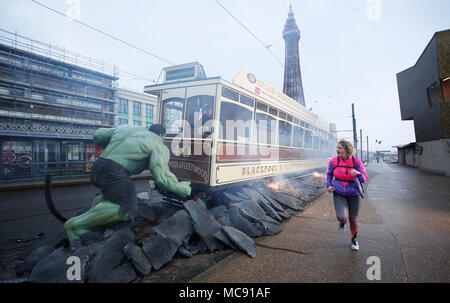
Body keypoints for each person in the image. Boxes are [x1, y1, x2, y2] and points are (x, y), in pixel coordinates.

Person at [64, 124, 191, 250]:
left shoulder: (129, 129)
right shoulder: (158, 145)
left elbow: (98, 135)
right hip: (115, 171)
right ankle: (76, 227)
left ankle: (95, 225)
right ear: (163, 135)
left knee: (111, 197)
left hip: (98, 165)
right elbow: (163, 179)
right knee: (127, 208)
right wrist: (182, 187)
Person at [327, 140, 368, 251]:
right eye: (337, 147)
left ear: (347, 149)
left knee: (353, 219)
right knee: (342, 217)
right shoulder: (333, 162)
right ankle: (342, 222)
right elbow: (329, 175)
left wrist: (358, 174)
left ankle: (354, 239)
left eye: (340, 148)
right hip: (339, 192)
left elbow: (364, 178)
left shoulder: (356, 162)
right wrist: (329, 186)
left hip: (353, 193)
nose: (337, 150)